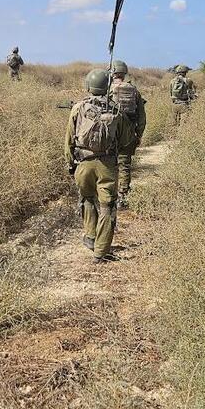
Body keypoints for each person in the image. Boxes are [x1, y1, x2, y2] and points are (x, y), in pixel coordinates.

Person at [64, 69, 135, 264]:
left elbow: (69, 140)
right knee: (107, 207)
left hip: (83, 164)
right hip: (107, 166)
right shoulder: (116, 111)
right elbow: (127, 141)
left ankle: (90, 236)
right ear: (107, 87)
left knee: (87, 199)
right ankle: (101, 252)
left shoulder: (78, 108)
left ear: (88, 86)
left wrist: (71, 163)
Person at [109, 60, 147, 209]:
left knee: (109, 163)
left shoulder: (106, 90)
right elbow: (141, 116)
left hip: (110, 131)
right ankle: (122, 196)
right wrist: (139, 134)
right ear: (124, 73)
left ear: (112, 73)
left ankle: (107, 194)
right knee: (124, 164)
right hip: (128, 132)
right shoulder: (134, 90)